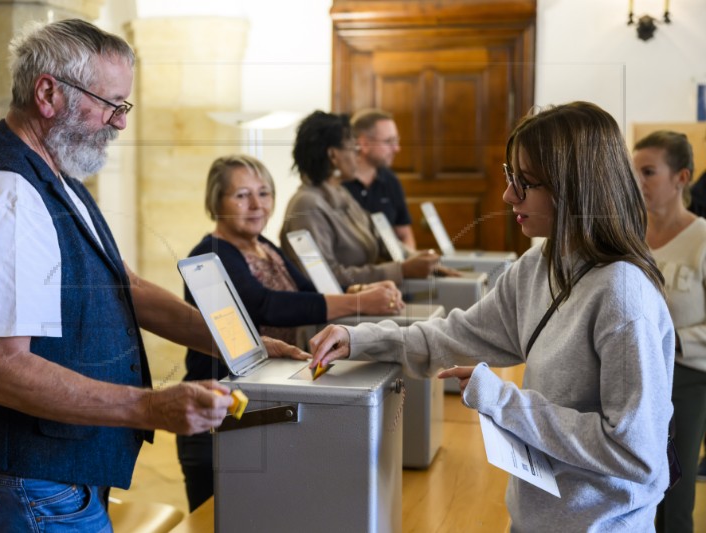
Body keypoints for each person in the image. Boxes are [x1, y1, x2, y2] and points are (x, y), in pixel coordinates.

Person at [0, 19, 305, 531]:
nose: (119, 122)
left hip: (53, 476)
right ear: (48, 93)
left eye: (123, 106)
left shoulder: (56, 174)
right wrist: (151, 407)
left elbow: (124, 286)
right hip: (27, 482)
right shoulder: (9, 195)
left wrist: (242, 342)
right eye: (111, 103)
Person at [309, 101, 675, 531]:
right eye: (510, 177)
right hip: (535, 517)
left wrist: (502, 400)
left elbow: (635, 453)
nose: (507, 196)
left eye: (526, 184)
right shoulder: (540, 264)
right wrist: (361, 339)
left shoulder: (622, 292)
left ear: (573, 186)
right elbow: (453, 336)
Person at [177, 154, 404, 511]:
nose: (257, 205)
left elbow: (306, 294)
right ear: (216, 202)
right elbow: (267, 305)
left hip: (266, 407)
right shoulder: (212, 252)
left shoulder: (266, 248)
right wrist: (357, 305)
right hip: (220, 417)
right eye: (242, 195)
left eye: (264, 193)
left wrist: (359, 294)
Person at [279, 110, 456, 287]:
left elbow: (378, 236)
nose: (358, 155)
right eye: (353, 148)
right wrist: (401, 270)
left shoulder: (341, 194)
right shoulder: (307, 204)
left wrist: (419, 258)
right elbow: (325, 278)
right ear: (333, 155)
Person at [632, 131, 706, 533]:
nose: (638, 181)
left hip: (688, 379)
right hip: (634, 376)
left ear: (682, 177)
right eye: (633, 172)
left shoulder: (702, 240)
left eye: (648, 172)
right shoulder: (628, 236)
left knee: (674, 492)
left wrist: (672, 339)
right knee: (635, 485)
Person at [343, 108, 416, 249]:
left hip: (391, 266)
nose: (397, 149)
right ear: (364, 144)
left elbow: (404, 235)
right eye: (389, 141)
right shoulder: (337, 185)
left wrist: (410, 264)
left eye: (397, 141)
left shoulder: (390, 180)